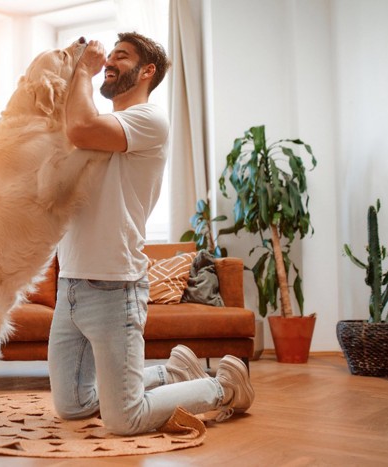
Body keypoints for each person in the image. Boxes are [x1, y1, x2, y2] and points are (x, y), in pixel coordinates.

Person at [48, 32, 255, 435]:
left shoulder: (149, 119)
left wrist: (83, 73)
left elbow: (79, 127)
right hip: (69, 284)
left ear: (147, 71)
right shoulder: (102, 123)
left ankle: (223, 387)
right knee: (73, 407)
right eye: (107, 56)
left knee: (125, 419)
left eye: (120, 57)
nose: (108, 61)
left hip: (114, 288)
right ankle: (171, 373)